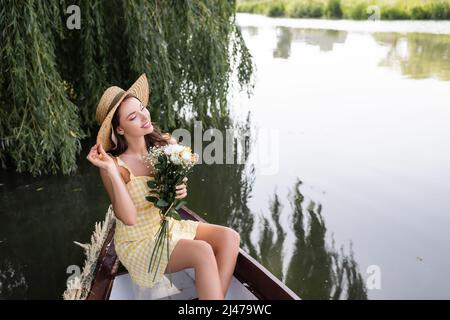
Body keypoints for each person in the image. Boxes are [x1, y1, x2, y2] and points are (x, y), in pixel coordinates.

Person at [86, 74, 240, 300]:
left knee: (230, 237)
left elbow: (173, 194)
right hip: (137, 242)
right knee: (203, 251)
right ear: (120, 129)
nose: (143, 117)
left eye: (141, 109)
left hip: (165, 226)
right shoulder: (115, 166)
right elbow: (127, 217)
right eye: (132, 117)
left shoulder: (166, 146)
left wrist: (180, 189)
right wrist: (110, 171)